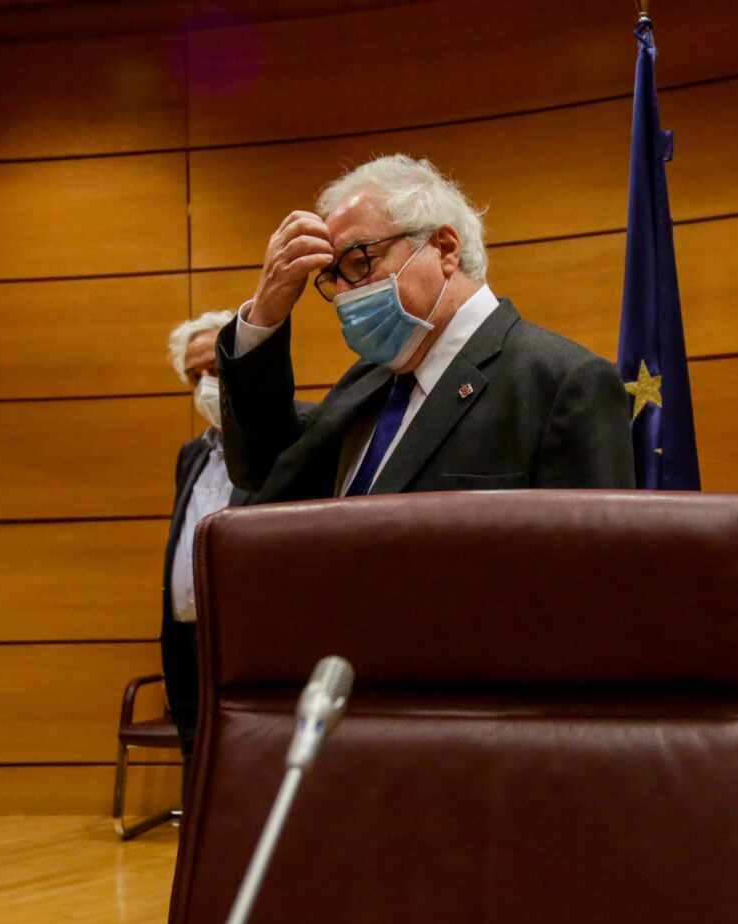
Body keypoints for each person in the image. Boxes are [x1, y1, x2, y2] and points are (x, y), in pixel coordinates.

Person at [217, 154, 634, 502]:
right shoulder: (370, 380)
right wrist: (264, 320)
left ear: (445, 249)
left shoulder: (561, 383)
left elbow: (592, 574)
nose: (344, 293)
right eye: (333, 277)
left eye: (360, 263)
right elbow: (263, 470)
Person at [160, 311, 250, 760]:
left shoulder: (289, 438)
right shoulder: (190, 455)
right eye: (195, 376)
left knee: (250, 754)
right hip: (190, 639)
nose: (206, 386)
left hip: (250, 637)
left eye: (215, 370)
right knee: (198, 759)